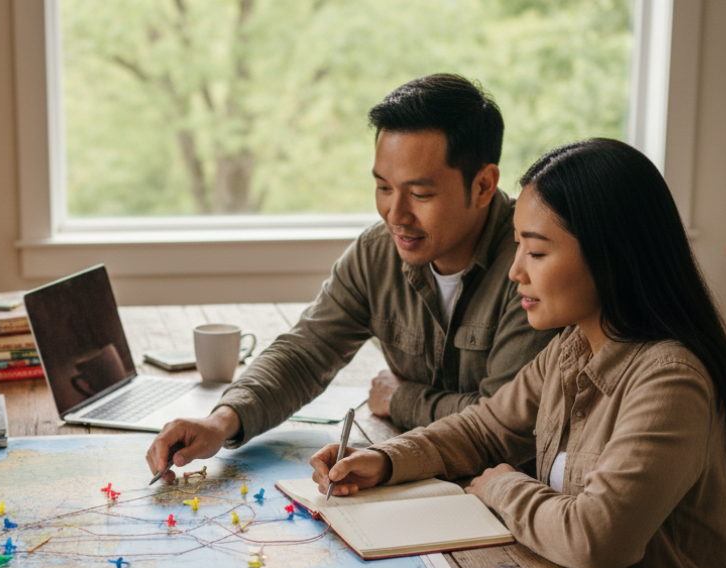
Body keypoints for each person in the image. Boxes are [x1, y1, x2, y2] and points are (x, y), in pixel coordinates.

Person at [309, 138, 726, 568]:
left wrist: (500, 487)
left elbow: (596, 541)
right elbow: (486, 429)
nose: (515, 272)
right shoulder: (572, 346)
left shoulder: (669, 380)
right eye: (517, 248)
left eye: (535, 252)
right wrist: (388, 460)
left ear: (610, 256)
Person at [146, 74, 556, 480]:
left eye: (420, 194)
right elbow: (306, 352)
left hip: (510, 493)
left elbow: (505, 421)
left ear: (483, 185)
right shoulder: (377, 252)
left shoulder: (535, 266)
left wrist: (402, 399)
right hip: (416, 477)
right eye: (382, 187)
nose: (395, 215)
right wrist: (221, 421)